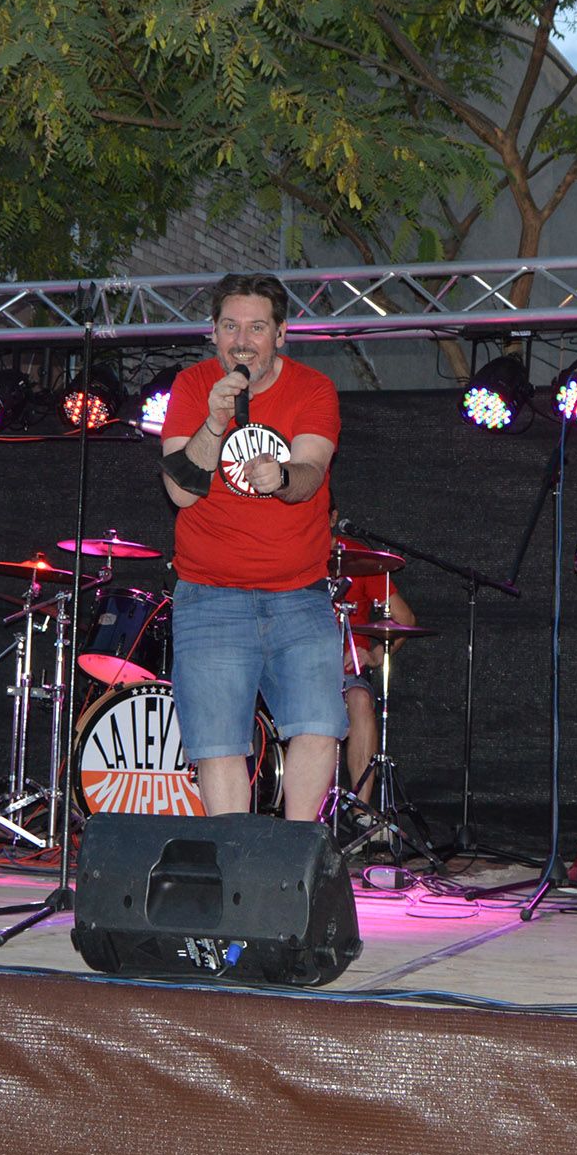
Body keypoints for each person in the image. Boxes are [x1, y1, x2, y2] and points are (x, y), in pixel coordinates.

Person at [160, 273, 344, 821]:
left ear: (281, 334)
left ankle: (293, 858)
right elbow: (180, 492)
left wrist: (283, 477)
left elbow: (311, 470)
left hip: (299, 595)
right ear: (214, 333)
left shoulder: (313, 389)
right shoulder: (193, 388)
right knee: (218, 745)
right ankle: (237, 863)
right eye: (230, 327)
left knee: (318, 725)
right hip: (210, 597)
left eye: (257, 327)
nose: (242, 340)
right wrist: (216, 419)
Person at [329, 517, 417, 802]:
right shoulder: (288, 554)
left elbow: (404, 619)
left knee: (360, 699)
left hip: (346, 670)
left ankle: (361, 812)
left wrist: (376, 656)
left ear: (332, 516)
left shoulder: (360, 561)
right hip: (296, 667)